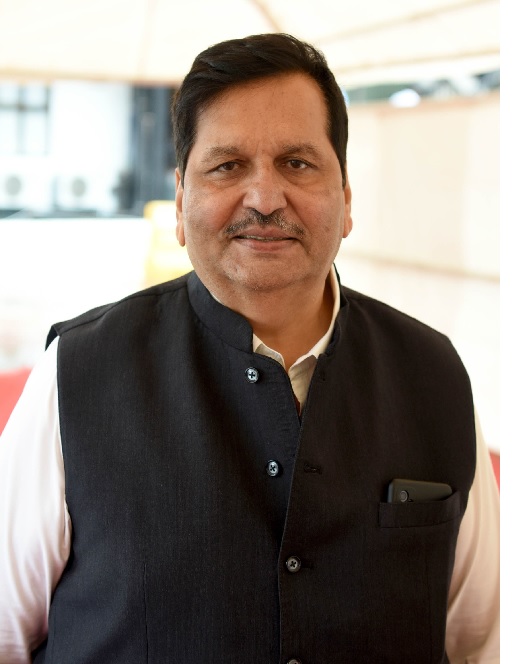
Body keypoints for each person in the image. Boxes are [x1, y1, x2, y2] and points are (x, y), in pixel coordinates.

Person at [0, 33, 499, 663]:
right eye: (227, 166)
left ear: (346, 199)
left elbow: (483, 642)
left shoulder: (433, 376)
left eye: (297, 163)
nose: (265, 198)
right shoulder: (77, 375)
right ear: (180, 201)